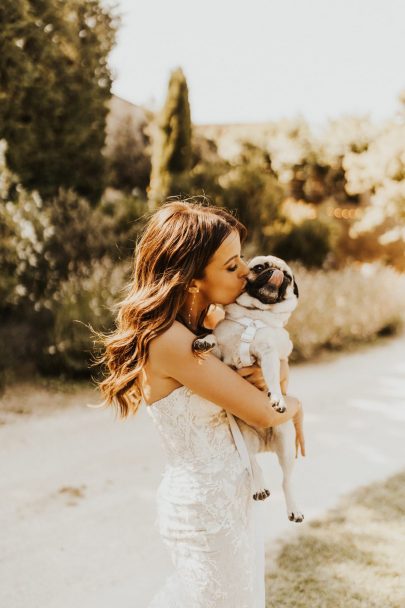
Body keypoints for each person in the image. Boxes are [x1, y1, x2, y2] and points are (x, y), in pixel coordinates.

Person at [95, 198, 304, 608]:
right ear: (192, 280)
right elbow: (263, 410)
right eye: (231, 267)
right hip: (206, 514)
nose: (246, 273)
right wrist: (296, 406)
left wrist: (275, 379)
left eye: (241, 260)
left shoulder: (204, 329)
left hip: (228, 502)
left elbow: (263, 390)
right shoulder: (173, 342)